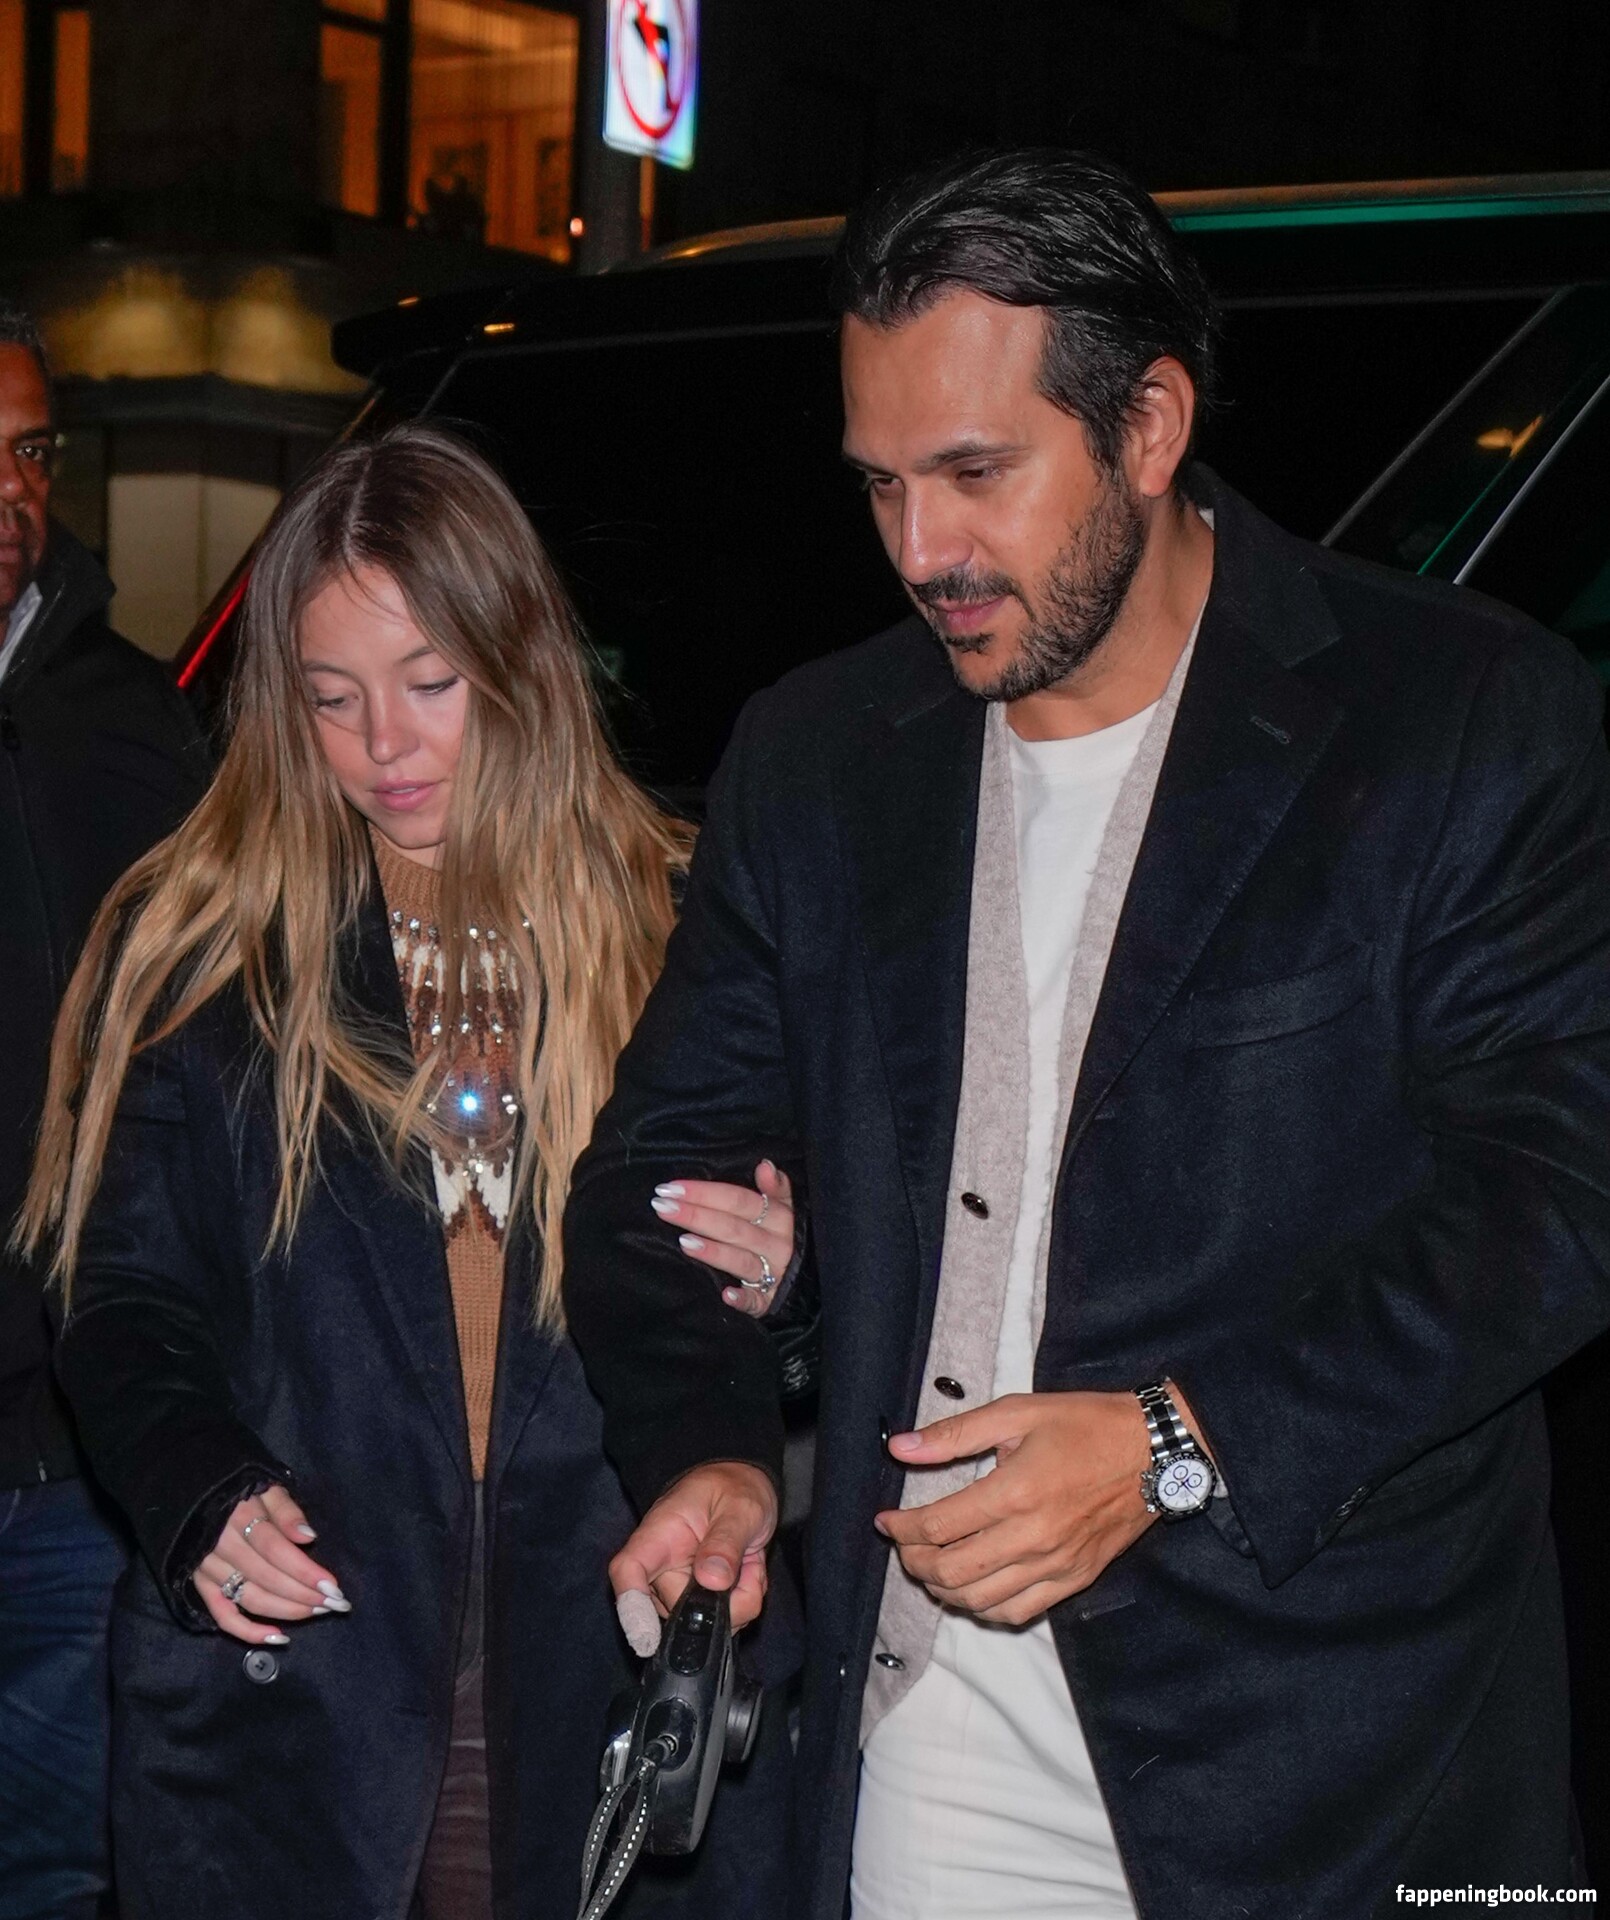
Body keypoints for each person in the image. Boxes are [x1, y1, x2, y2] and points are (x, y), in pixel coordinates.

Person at [562, 148, 1610, 1918]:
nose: (922, 552)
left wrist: (1177, 1437)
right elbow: (657, 1178)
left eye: (976, 473)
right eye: (881, 484)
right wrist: (713, 1451)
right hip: (931, 1738)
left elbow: (1557, 1192)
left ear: (1147, 425)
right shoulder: (821, 757)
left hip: (1334, 1753)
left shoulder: (1455, 712)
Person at [21, 423, 799, 1920]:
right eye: (333, 698)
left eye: (430, 683)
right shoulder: (204, 945)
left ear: (520, 662)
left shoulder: (674, 918)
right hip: (307, 1678)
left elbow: (823, 1266)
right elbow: (119, 1297)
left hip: (608, 1645)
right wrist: (193, 1487)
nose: (384, 745)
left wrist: (789, 1265)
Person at [0, 298, 207, 1920]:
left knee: (66, 1868)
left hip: (74, 1449)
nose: (12, 494)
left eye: (29, 453)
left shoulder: (135, 722)